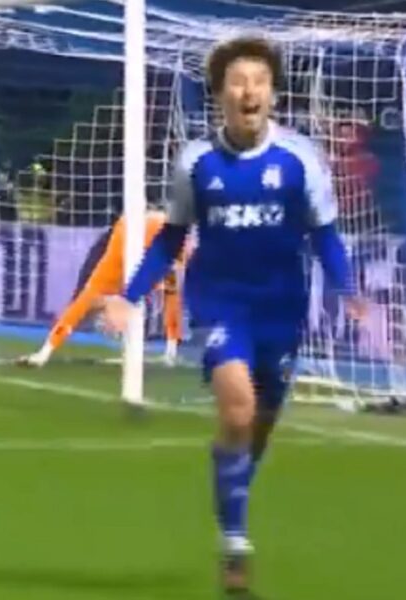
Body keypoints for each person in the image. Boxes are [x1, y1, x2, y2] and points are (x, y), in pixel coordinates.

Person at [96, 36, 365, 593]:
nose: (249, 91)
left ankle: (230, 477)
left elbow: (325, 234)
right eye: (238, 82)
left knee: (256, 426)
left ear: (273, 94)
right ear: (220, 94)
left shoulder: (300, 159)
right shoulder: (196, 162)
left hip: (281, 307)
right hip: (219, 302)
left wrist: (349, 290)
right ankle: (236, 541)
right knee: (238, 409)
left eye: (259, 81)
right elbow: (171, 239)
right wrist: (130, 295)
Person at [18, 210, 186, 367]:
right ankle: (145, 348)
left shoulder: (111, 276)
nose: (111, 326)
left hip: (148, 232)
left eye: (109, 324)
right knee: (84, 298)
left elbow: (171, 296)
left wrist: (44, 353)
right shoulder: (110, 276)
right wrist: (44, 353)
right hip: (131, 235)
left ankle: (158, 349)